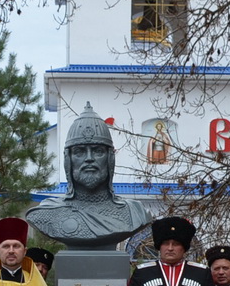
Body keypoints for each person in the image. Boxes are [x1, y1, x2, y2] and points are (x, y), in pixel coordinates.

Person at [25, 103, 149, 248]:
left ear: (109, 159)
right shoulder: (48, 211)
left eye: (97, 151)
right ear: (68, 160)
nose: (89, 158)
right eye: (79, 152)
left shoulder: (135, 213)